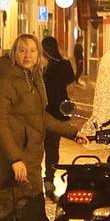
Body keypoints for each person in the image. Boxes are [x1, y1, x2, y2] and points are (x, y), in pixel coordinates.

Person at [0, 35, 86, 221]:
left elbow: (42, 117)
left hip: (30, 160)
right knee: (23, 220)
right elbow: (1, 122)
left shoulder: (34, 78)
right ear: (15, 52)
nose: (27, 55)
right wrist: (15, 159)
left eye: (32, 51)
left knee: (10, 220)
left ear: (39, 55)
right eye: (22, 50)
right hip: (14, 161)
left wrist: (73, 132)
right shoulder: (6, 79)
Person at [41, 37, 76, 198]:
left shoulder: (44, 66)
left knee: (35, 146)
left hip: (43, 109)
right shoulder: (63, 64)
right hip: (56, 112)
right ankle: (49, 178)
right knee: (52, 148)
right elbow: (71, 79)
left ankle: (39, 179)